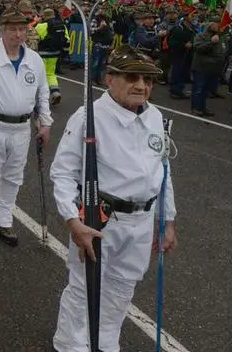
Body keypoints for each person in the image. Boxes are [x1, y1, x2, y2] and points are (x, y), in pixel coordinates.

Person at [50, 45, 177, 351]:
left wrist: (167, 219)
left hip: (142, 221)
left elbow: (162, 171)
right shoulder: (88, 117)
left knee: (122, 289)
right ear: (109, 78)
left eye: (148, 80)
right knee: (84, 289)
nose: (141, 86)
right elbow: (63, 174)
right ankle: (70, 344)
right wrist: (73, 221)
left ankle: (106, 343)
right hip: (100, 219)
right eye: (132, 77)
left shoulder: (155, 116)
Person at [0, 8, 52, 246]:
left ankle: (2, 217)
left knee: (14, 176)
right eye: (13, 29)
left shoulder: (34, 59)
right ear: (1, 30)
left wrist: (45, 122)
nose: (18, 34)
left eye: (22, 29)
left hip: (22, 128)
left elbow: (43, 93)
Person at [190, 21, 226, 117]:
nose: (216, 25)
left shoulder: (219, 37)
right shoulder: (201, 36)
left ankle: (202, 107)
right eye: (213, 23)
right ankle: (196, 108)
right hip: (201, 67)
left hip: (212, 68)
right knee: (199, 88)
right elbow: (198, 48)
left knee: (205, 89)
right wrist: (211, 42)